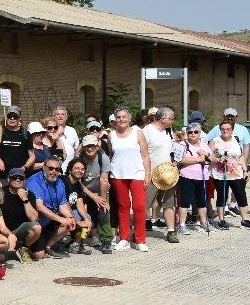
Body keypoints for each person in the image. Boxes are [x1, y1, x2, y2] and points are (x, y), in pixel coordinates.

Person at [107, 106, 151, 252]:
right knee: (122, 207)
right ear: (115, 119)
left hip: (137, 174)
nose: (121, 119)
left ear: (129, 118)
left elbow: (145, 155)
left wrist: (148, 174)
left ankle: (140, 239)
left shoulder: (138, 133)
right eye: (118, 117)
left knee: (139, 207)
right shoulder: (111, 135)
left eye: (124, 116)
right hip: (118, 175)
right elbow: (111, 155)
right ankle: (124, 238)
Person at [26, 155, 78, 257]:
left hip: (49, 220)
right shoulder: (34, 181)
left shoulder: (60, 182)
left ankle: (48, 247)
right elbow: (39, 207)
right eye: (50, 168)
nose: (54, 171)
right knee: (39, 255)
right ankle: (24, 246)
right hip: (35, 222)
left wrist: (71, 218)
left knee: (69, 221)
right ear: (44, 167)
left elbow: (62, 205)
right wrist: (60, 219)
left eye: (57, 169)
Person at [208, 120, 250, 230]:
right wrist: (219, 159)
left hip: (236, 173)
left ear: (232, 130)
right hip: (220, 173)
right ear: (220, 130)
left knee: (241, 195)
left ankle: (244, 220)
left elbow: (241, 156)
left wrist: (245, 170)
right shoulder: (214, 141)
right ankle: (221, 220)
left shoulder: (236, 140)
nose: (225, 131)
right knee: (222, 196)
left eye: (228, 129)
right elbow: (211, 157)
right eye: (223, 129)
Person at [142, 107, 179, 242]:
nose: (173, 121)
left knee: (169, 203)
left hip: (168, 175)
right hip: (151, 174)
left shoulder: (168, 131)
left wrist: (174, 162)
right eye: (171, 118)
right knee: (144, 204)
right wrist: (146, 172)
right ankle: (139, 231)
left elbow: (170, 151)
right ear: (162, 119)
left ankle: (171, 231)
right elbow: (141, 152)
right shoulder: (147, 131)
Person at [76, 134, 114, 252]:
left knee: (103, 210)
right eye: (87, 146)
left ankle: (106, 240)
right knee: (80, 213)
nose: (90, 148)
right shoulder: (79, 159)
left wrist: (102, 200)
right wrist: (92, 196)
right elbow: (77, 181)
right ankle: (78, 240)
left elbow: (104, 180)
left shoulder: (103, 158)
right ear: (83, 147)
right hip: (82, 191)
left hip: (98, 190)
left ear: (97, 147)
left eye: (92, 146)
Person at [0, 168, 44, 260]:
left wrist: (25, 199)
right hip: (7, 231)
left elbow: (34, 218)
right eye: (14, 177)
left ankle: (22, 248)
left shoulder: (30, 194)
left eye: (21, 177)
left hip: (24, 232)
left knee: (39, 255)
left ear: (24, 180)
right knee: (1, 257)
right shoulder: (1, 193)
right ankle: (15, 248)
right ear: (8, 179)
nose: (17, 179)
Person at [176, 124, 212, 233]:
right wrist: (198, 159)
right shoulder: (183, 144)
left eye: (196, 132)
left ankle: (204, 222)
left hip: (202, 177)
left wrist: (205, 155)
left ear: (200, 133)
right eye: (190, 132)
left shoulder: (204, 145)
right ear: (186, 134)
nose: (193, 134)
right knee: (185, 201)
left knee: (202, 201)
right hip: (187, 176)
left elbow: (212, 159)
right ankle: (182, 224)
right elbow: (180, 160)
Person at [0, 106, 31, 178]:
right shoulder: (0, 133)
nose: (12, 118)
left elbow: (32, 155)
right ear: (6, 117)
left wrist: (24, 168)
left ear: (19, 118)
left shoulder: (26, 134)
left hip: (20, 176)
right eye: (10, 116)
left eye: (15, 116)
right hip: (3, 176)